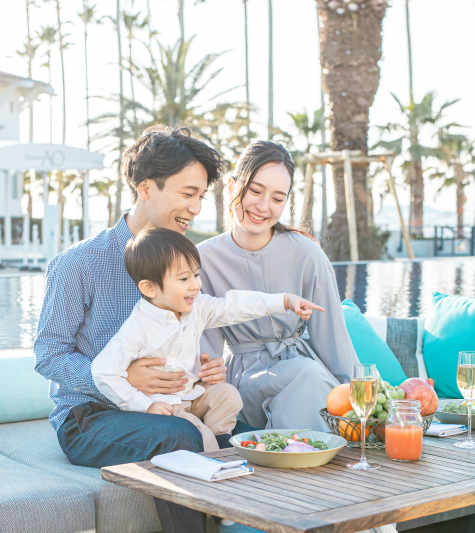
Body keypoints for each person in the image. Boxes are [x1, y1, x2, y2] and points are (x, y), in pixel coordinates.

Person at [34, 126, 232, 533]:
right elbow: (49, 354)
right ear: (145, 187)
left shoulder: (184, 264)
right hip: (91, 416)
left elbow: (191, 334)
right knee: (178, 437)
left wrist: (205, 369)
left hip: (168, 405)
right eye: (187, 193)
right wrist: (122, 378)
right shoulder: (79, 264)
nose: (196, 208)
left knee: (245, 432)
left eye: (200, 196)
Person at [92, 226, 323, 451]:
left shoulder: (197, 307)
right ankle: (218, 459)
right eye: (183, 279)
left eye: (196, 274)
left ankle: (222, 439)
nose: (194, 285)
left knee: (228, 394)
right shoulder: (138, 327)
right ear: (149, 288)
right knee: (198, 435)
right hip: (167, 406)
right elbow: (103, 372)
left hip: (192, 395)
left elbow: (233, 305)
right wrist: (145, 404)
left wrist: (284, 301)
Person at [198, 140, 360, 433]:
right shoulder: (202, 259)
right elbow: (204, 343)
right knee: (309, 378)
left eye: (277, 198)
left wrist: (360, 394)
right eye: (255, 191)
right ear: (234, 186)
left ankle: (295, 463)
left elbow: (333, 337)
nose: (263, 207)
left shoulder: (308, 253)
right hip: (243, 380)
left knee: (312, 379)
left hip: (301, 367)